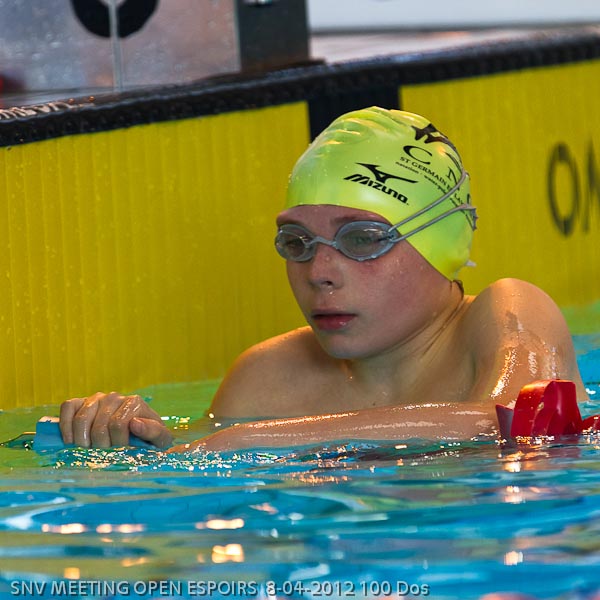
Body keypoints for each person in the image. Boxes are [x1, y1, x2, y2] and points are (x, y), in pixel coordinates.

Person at [58, 107, 588, 452]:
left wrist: (256, 439)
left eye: (362, 239)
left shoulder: (507, 312)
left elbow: (522, 421)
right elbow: (193, 461)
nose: (320, 273)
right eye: (297, 243)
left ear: (442, 243)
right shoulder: (269, 378)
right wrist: (133, 432)